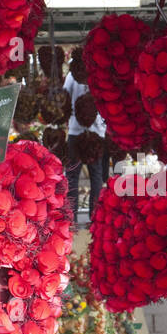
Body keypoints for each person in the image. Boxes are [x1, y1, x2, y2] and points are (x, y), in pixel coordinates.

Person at [63, 60, 108, 221]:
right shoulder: (99, 75)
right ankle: (94, 216)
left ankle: (72, 217)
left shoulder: (71, 76)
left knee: (72, 175)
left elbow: (65, 97)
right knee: (96, 175)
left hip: (76, 132)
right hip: (96, 132)